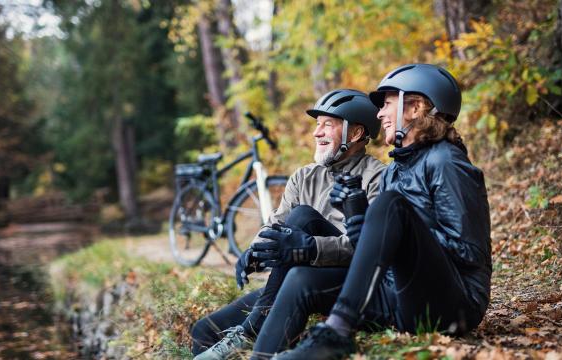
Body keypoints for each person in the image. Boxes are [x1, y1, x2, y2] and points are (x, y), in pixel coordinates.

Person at [251, 64, 492, 360]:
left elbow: (470, 253)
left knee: (391, 204)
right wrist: (359, 219)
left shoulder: (446, 162)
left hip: (455, 304)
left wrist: (402, 227)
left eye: (387, 104)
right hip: (399, 296)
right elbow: (381, 248)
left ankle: (337, 332)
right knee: (302, 279)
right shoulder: (394, 172)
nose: (379, 114)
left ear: (415, 107)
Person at [191, 89, 387, 359]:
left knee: (304, 217)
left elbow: (372, 247)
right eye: (316, 125)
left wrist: (310, 247)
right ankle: (249, 329)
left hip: (341, 280)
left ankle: (251, 332)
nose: (316, 133)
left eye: (327, 124)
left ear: (354, 134)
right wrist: (256, 250)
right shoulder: (303, 176)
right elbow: (276, 223)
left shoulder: (378, 177)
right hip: (293, 278)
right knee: (203, 330)